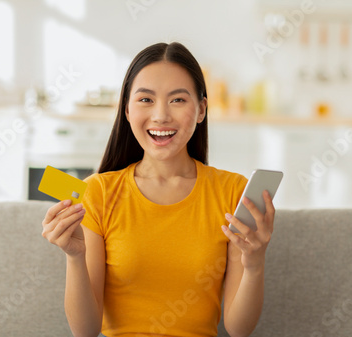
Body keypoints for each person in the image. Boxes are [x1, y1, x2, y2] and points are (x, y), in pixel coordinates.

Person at [41, 42, 275, 337]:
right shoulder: (96, 193)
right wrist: (74, 257)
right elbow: (84, 331)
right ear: (126, 109)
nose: (161, 115)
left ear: (201, 109)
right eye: (146, 100)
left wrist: (254, 263)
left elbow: (239, 329)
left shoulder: (233, 192)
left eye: (177, 100)